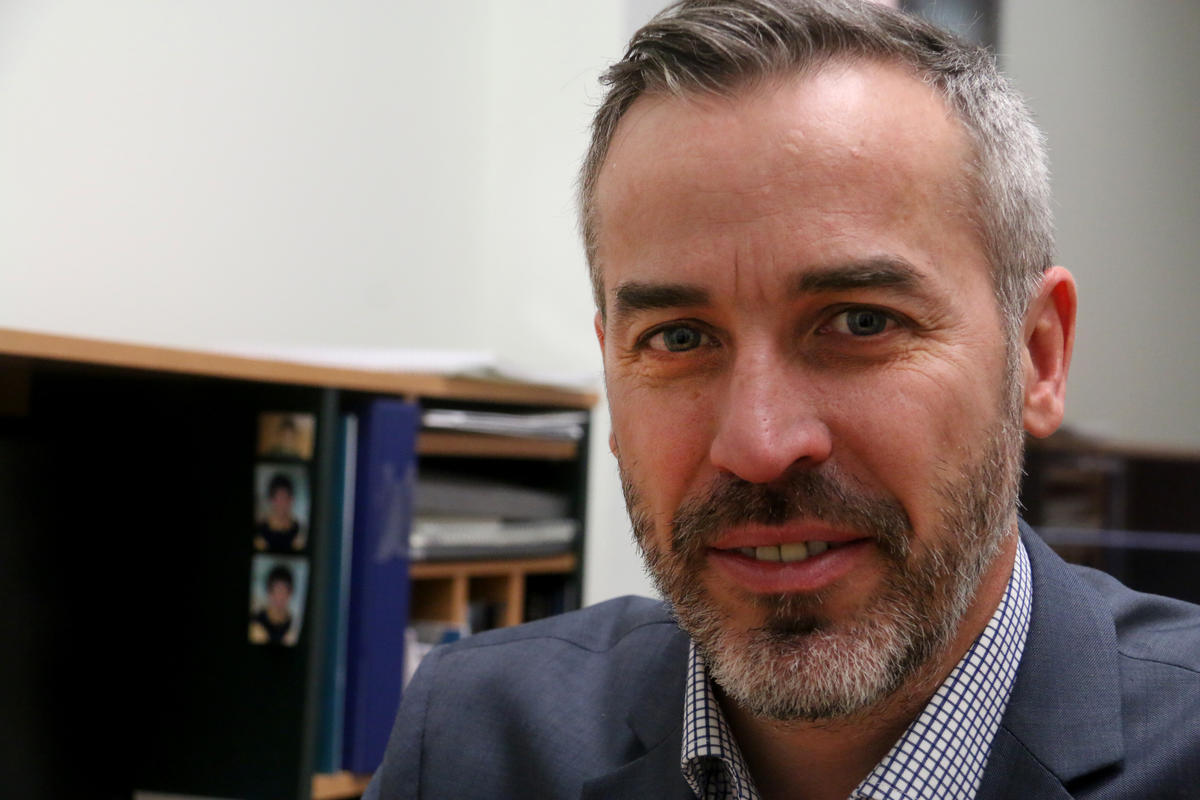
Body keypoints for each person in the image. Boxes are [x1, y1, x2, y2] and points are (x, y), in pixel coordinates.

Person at [367, 2, 1200, 798]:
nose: (759, 444)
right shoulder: (473, 738)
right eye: (679, 338)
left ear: (1038, 357)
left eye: (861, 322)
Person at [254, 472, 306, 552]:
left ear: (291, 500)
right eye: (279, 499)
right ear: (272, 500)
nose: (282, 504)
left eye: (286, 498)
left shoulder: (297, 529)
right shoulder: (261, 529)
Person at [248, 564, 298, 646]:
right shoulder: (255, 621)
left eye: (284, 592)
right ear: (269, 592)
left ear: (290, 593)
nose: (280, 597)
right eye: (276, 591)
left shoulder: (293, 625)